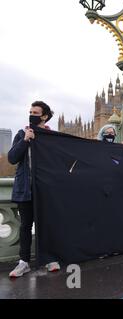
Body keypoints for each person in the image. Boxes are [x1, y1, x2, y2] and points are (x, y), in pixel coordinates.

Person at [8, 101, 61, 278]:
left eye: (35, 112)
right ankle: (23, 262)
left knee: (46, 225)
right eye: (30, 111)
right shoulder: (22, 134)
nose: (31, 114)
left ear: (44, 116)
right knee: (25, 226)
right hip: (25, 188)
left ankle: (49, 258)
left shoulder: (51, 136)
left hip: (44, 189)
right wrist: (25, 140)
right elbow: (12, 158)